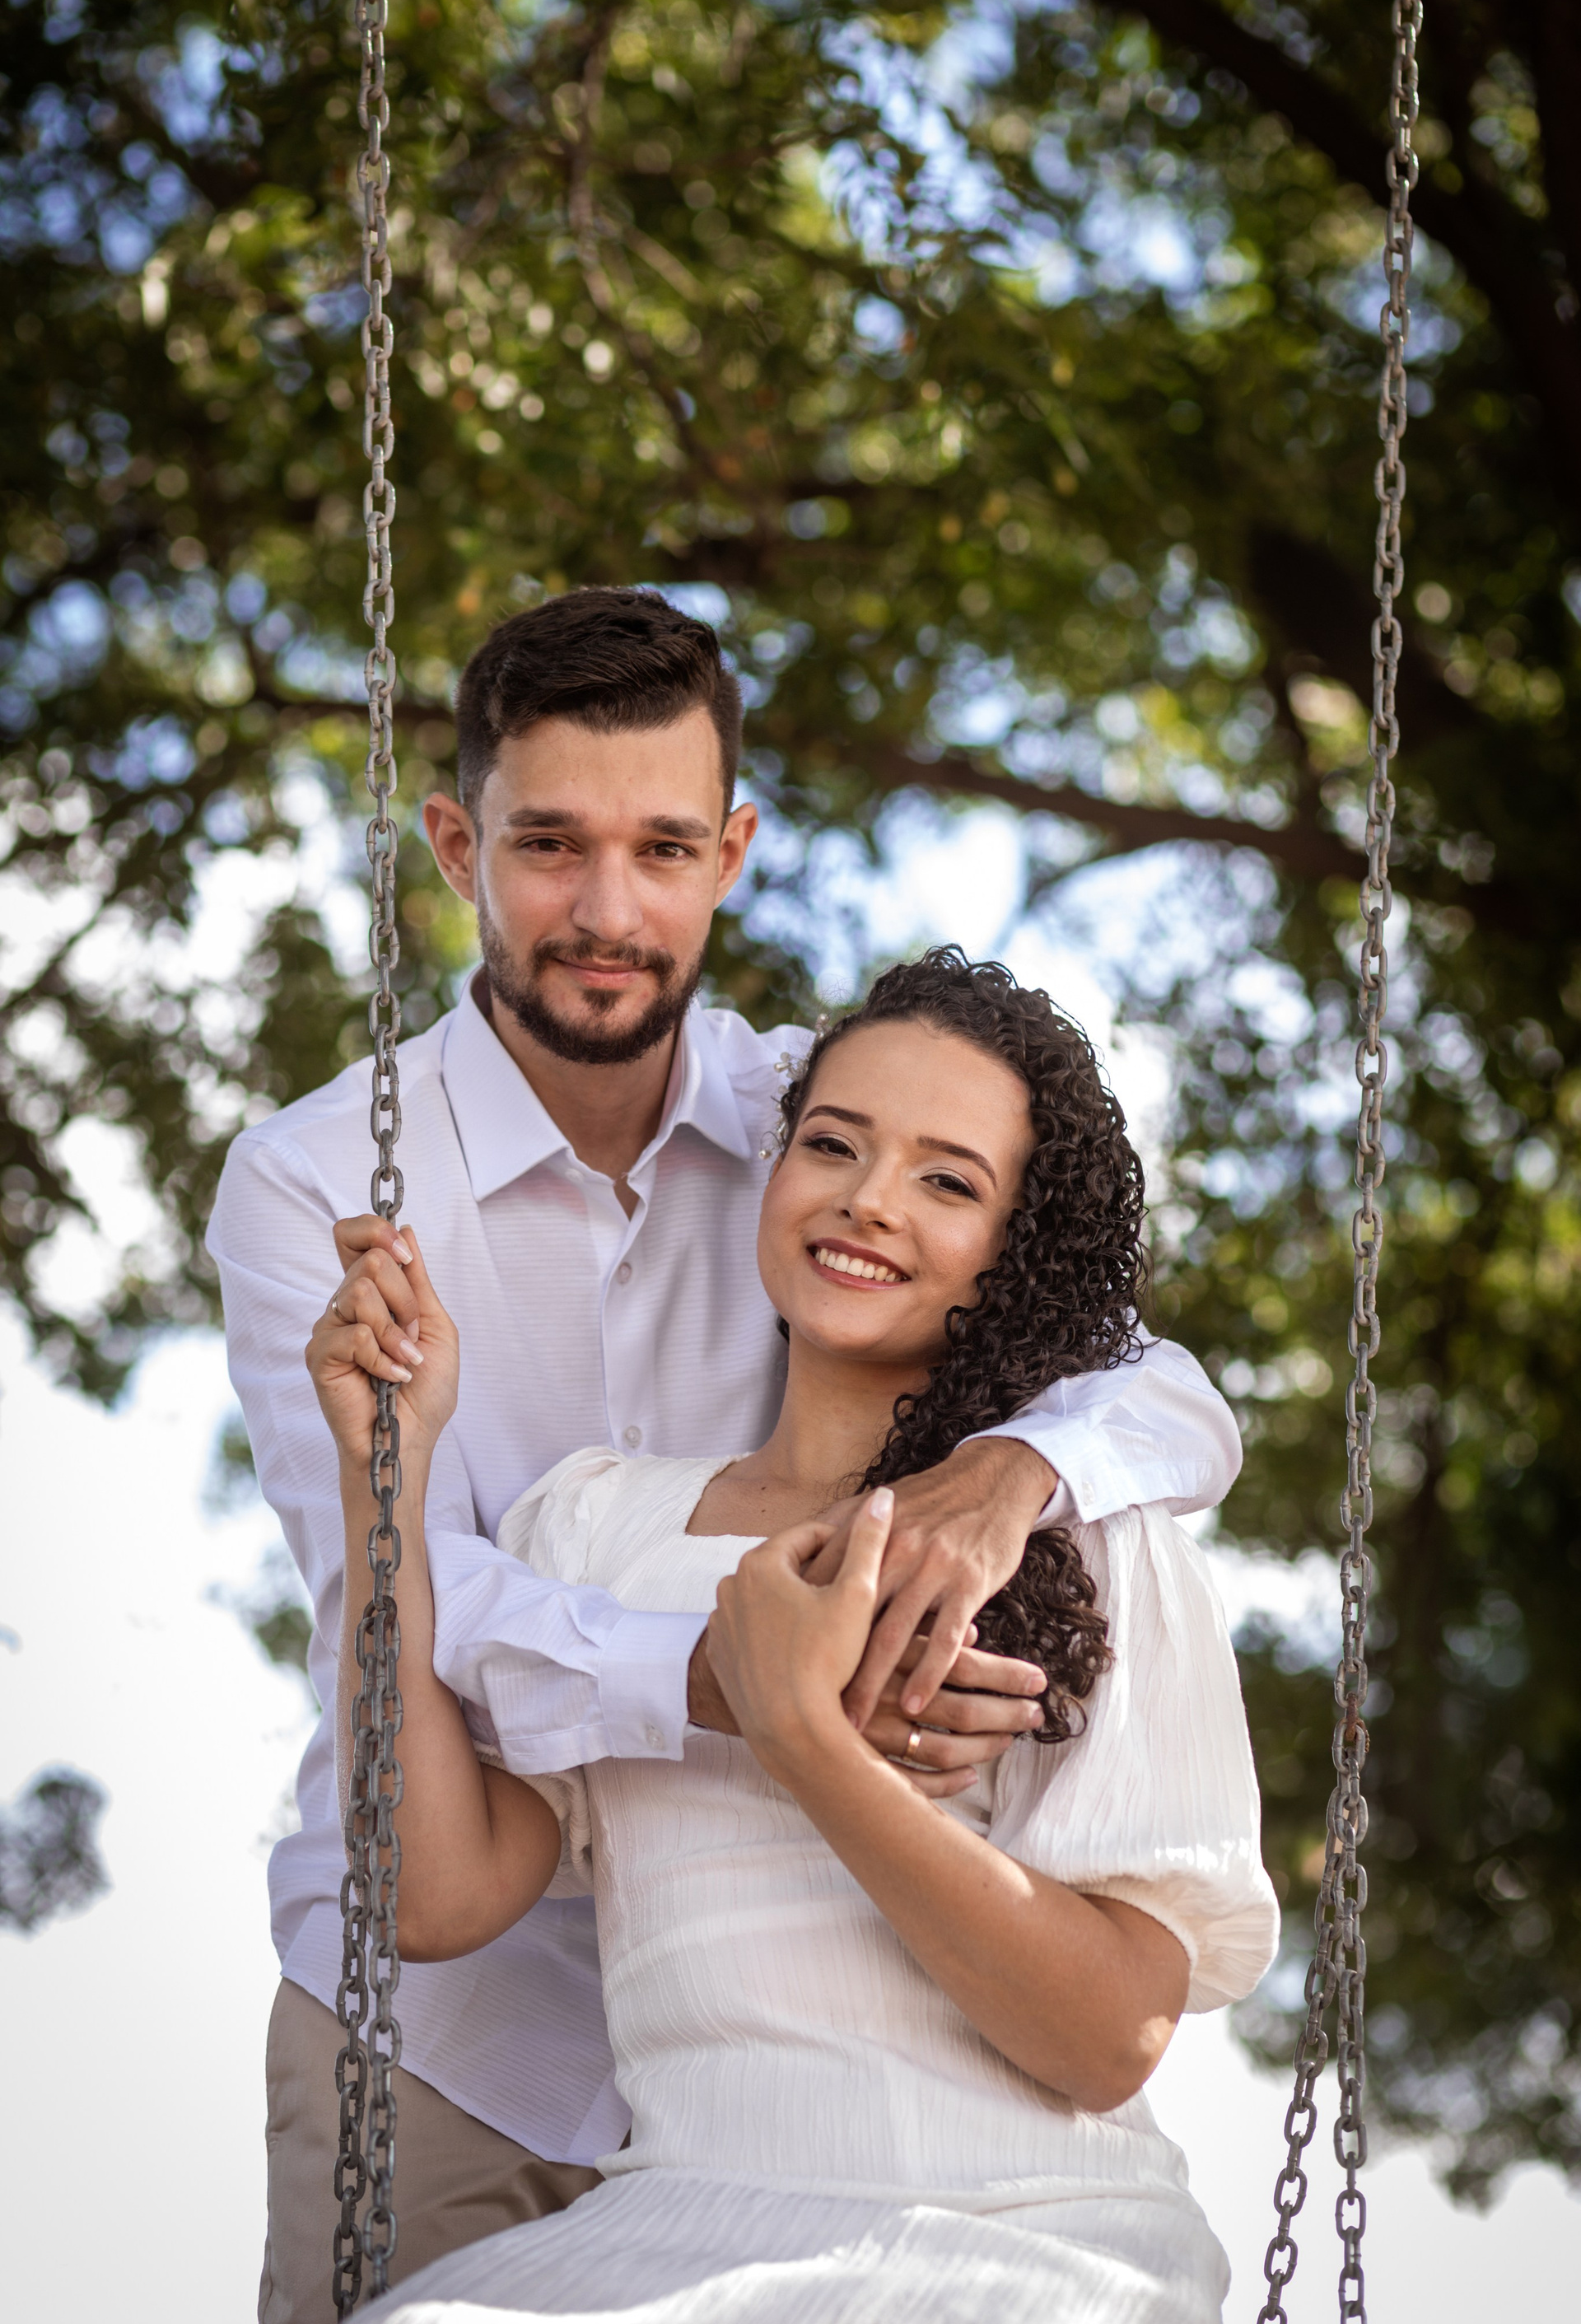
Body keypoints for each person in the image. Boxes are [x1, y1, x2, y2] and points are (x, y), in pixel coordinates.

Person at [208, 588, 1244, 2318]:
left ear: (732, 853)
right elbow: (418, 1589)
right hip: (459, 2020)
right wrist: (737, 1675)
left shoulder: (802, 1109)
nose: (609, 912)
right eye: (550, 844)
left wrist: (1019, 1477)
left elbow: (1147, 1376)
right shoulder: (318, 1187)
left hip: (925, 2132)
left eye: (665, 849)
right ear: (458, 844)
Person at [307, 947, 1279, 2324]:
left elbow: (1110, 2035)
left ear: (1018, 1249)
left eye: (949, 1181)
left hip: (1021, 2232)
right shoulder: (595, 1523)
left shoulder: (1073, 1537)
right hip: (674, 2220)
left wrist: (806, 1739)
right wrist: (387, 1477)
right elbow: (432, 1900)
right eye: (833, 1143)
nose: (870, 1198)